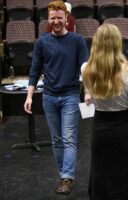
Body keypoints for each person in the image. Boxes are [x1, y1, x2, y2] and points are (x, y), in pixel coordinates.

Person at [24, 0, 89, 195]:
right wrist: (29, 96)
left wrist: (88, 91)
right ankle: (64, 174)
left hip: (70, 95)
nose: (56, 21)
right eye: (52, 18)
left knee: (69, 139)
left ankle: (66, 177)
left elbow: (85, 69)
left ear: (67, 18)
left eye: (59, 18)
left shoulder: (78, 41)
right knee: (56, 140)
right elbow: (35, 70)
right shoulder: (42, 42)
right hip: (49, 96)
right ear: (48, 19)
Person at [81, 23, 128, 200]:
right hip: (124, 130)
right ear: (117, 43)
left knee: (102, 173)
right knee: (126, 176)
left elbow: (90, 94)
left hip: (100, 129)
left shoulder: (86, 69)